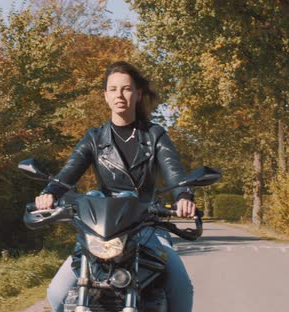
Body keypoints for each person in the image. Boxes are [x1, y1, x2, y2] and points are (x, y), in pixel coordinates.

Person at [35, 61, 195, 311]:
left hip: (146, 227)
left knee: (181, 286)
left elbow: (174, 172)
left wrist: (183, 195)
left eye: (126, 89)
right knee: (56, 292)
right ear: (106, 96)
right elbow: (68, 173)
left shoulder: (155, 135)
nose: (120, 95)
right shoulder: (94, 138)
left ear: (138, 94)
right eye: (113, 89)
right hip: (101, 230)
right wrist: (49, 193)